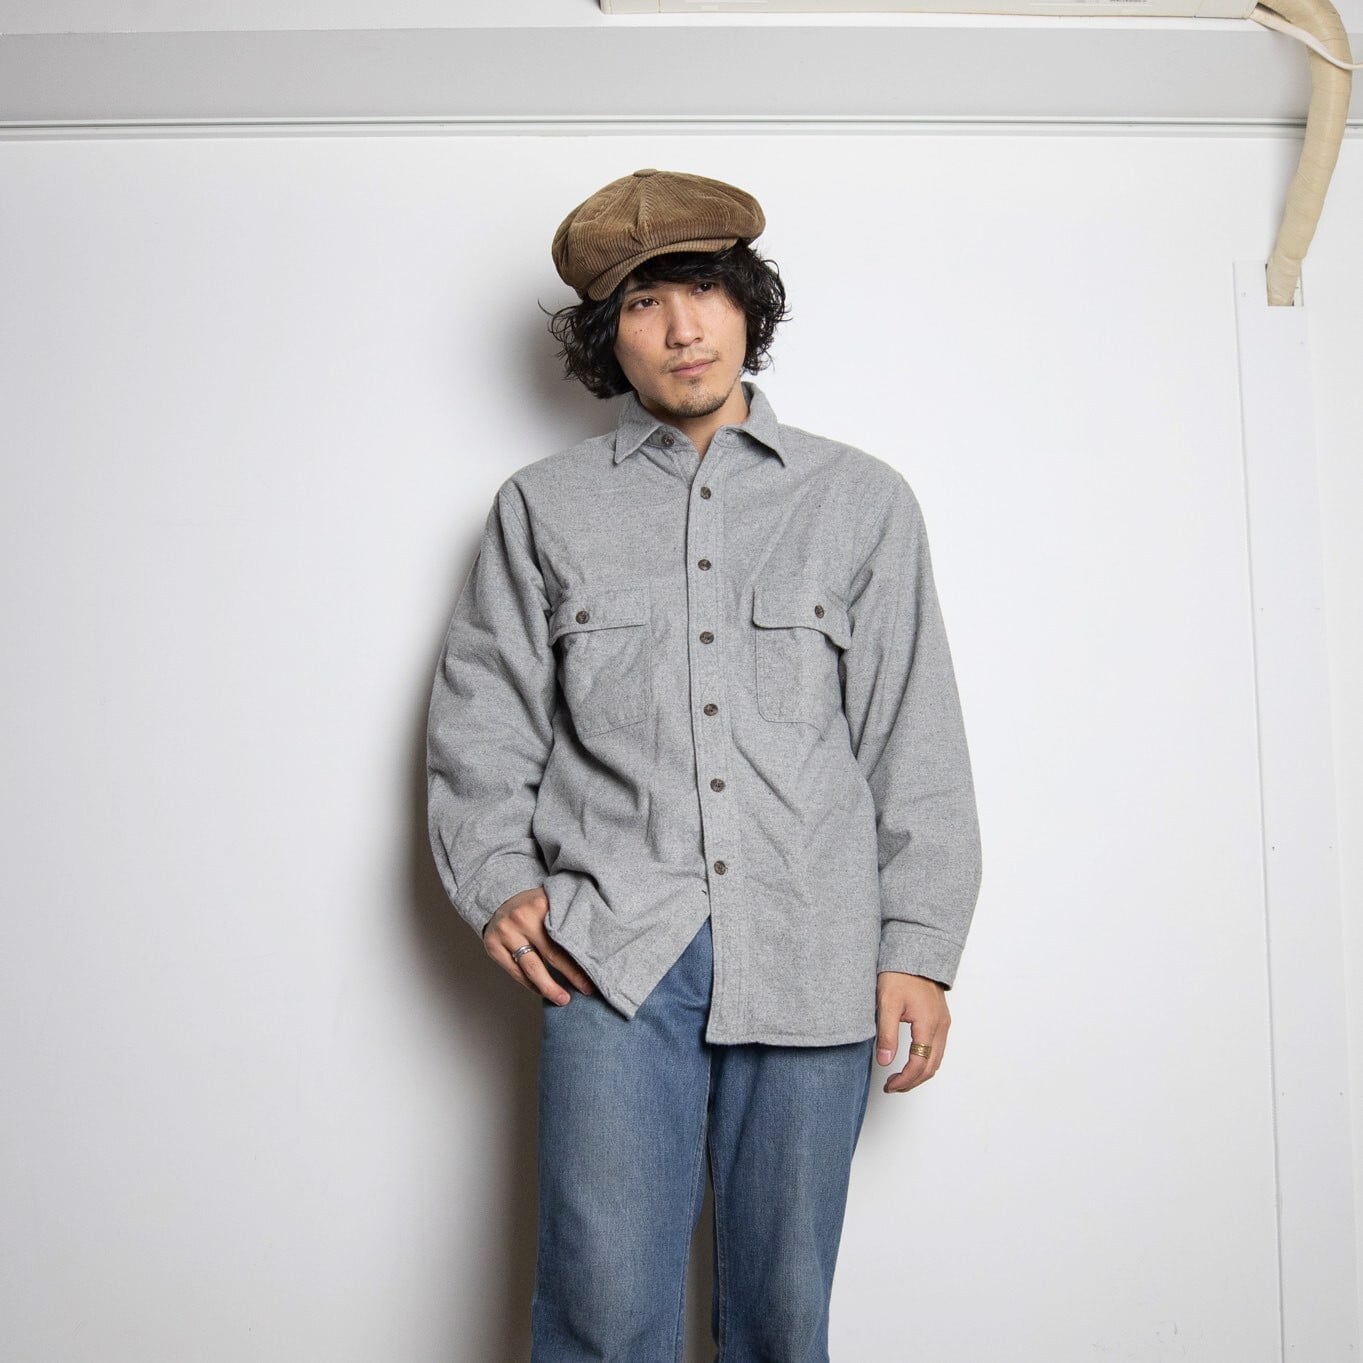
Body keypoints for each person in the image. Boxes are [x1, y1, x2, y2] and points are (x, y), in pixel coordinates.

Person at [425, 168, 982, 1363]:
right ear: (605, 335)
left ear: (746, 305)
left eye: (705, 292)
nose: (682, 328)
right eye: (643, 303)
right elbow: (482, 719)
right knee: (601, 1302)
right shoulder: (541, 508)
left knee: (782, 1309)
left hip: (815, 941)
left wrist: (919, 949)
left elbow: (913, 734)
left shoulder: (860, 501)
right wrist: (496, 875)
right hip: (613, 948)